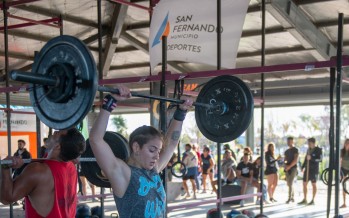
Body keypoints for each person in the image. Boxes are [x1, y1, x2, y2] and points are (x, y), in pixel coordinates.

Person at [89, 85, 193, 217]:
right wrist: (111, 101)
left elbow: (172, 143)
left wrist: (181, 112)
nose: (157, 156)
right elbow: (95, 140)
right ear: (136, 147)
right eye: (152, 150)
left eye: (158, 150)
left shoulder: (153, 170)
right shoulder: (123, 173)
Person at [0, 128, 86, 217]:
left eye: (58, 133)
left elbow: (7, 198)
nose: (54, 132)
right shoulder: (71, 167)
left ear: (58, 146)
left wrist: (5, 167)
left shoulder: (38, 170)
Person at [298, 137, 322, 205]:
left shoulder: (318, 150)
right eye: (308, 143)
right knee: (304, 183)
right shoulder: (308, 149)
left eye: (309, 143)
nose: (308, 144)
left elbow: (320, 159)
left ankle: (313, 200)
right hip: (307, 169)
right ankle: (305, 199)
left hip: (314, 170)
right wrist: (302, 167)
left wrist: (312, 158)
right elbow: (306, 159)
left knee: (313, 184)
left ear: (313, 143)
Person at [284, 136, 299, 204]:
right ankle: (292, 197)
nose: (289, 143)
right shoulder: (286, 151)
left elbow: (295, 160)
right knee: (289, 184)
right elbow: (285, 160)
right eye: (288, 141)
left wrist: (289, 166)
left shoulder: (295, 150)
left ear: (293, 142)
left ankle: (289, 198)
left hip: (293, 168)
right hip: (287, 168)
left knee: (290, 183)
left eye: (290, 141)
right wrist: (285, 165)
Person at [340, 139, 349, 208]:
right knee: (344, 186)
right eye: (346, 143)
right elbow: (339, 160)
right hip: (343, 169)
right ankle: (344, 203)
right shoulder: (342, 151)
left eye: (348, 143)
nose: (346, 144)